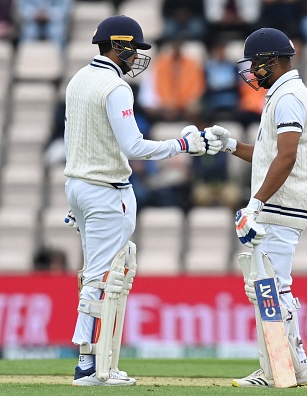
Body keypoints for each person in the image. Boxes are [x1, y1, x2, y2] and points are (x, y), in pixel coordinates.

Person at [62, 15, 220, 387]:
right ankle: (89, 366)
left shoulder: (78, 80)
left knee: (95, 273)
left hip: (79, 186)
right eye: (134, 49)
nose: (137, 57)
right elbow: (133, 146)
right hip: (105, 189)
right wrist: (183, 145)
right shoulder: (114, 87)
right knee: (103, 277)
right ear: (118, 46)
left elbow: (77, 141)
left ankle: (93, 361)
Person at [206, 27, 307, 387]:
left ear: (273, 60)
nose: (252, 70)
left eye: (257, 63)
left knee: (270, 286)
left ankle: (275, 371)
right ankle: (297, 367)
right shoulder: (281, 94)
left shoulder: (288, 97)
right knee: (275, 286)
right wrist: (229, 145)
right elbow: (267, 156)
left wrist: (255, 203)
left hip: (283, 202)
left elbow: (287, 157)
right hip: (285, 201)